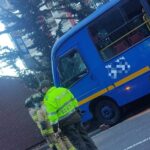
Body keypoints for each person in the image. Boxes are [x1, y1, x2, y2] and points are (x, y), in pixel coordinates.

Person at [42, 82, 98, 150]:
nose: (42, 91)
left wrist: (55, 130)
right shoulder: (63, 90)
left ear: (45, 88)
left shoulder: (48, 98)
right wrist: (78, 113)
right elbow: (74, 101)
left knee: (77, 142)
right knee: (85, 136)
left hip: (66, 123)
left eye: (42, 89)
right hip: (76, 117)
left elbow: (53, 116)